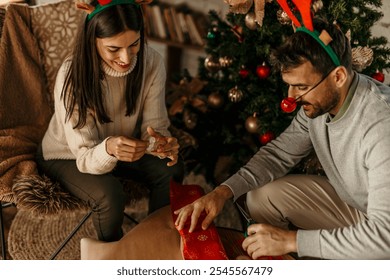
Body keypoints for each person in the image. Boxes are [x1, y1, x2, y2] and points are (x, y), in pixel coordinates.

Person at [174, 17, 390, 259]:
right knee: (261, 197)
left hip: (384, 234)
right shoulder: (321, 102)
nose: (291, 97)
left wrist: (292, 241)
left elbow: (385, 236)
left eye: (300, 87)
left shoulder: (381, 126)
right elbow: (278, 154)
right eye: (289, 86)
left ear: (338, 77)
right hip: (361, 209)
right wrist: (222, 193)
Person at [36, 0, 184, 242]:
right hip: (67, 155)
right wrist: (109, 148)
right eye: (114, 49)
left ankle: (156, 240)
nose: (126, 57)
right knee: (110, 195)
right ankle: (113, 256)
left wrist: (161, 145)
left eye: (134, 44)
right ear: (92, 42)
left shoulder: (153, 62)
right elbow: (84, 157)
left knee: (171, 168)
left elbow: (154, 127)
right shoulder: (71, 76)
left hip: (119, 146)